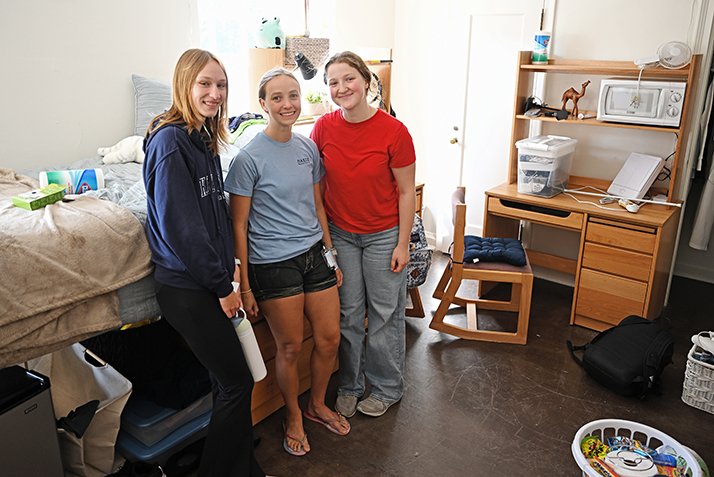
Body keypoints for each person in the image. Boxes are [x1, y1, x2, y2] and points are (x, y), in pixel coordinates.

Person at [143, 49, 264, 476]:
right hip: (187, 288)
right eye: (205, 84)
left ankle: (240, 465)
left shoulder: (203, 138)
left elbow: (213, 216)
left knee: (225, 382)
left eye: (221, 85)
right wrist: (223, 288)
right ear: (184, 85)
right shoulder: (170, 141)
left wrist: (230, 262)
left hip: (207, 278)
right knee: (237, 382)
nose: (215, 94)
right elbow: (183, 229)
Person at [225, 67, 350, 457]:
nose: (287, 104)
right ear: (262, 104)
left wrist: (330, 254)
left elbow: (317, 205)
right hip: (272, 264)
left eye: (293, 95)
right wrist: (243, 285)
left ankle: (316, 404)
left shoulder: (308, 148)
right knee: (291, 347)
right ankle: (293, 415)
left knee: (329, 338)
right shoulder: (248, 159)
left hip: (314, 255)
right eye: (276, 97)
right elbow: (239, 225)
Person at [310, 51, 417, 418]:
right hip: (341, 234)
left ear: (366, 82)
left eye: (349, 79)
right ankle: (352, 386)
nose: (342, 88)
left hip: (384, 235)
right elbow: (317, 189)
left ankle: (388, 387)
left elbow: (406, 192)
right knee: (349, 314)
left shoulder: (394, 131)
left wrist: (403, 244)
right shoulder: (322, 128)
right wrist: (327, 243)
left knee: (386, 314)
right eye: (333, 82)